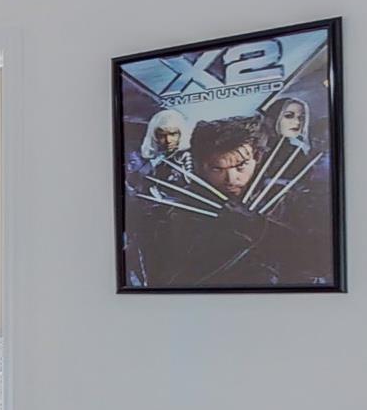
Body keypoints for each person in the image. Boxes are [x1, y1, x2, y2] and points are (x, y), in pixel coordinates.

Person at [122, 112, 334, 288]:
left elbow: (317, 260)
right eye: (217, 169)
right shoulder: (178, 209)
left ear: (257, 157)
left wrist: (258, 227)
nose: (232, 179)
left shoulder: (288, 198)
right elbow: (165, 277)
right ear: (198, 165)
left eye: (241, 166)